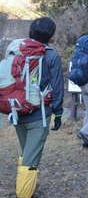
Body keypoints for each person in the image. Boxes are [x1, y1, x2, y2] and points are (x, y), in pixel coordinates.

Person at [15, 17, 64, 198]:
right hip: (39, 115)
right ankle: (24, 193)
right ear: (50, 36)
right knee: (31, 160)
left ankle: (29, 187)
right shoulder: (51, 55)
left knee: (26, 152)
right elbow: (57, 87)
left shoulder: (17, 51)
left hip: (16, 112)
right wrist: (58, 113)